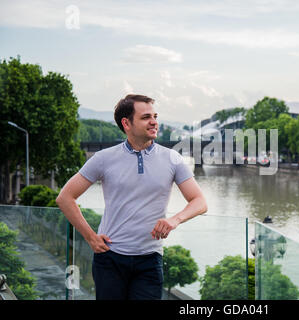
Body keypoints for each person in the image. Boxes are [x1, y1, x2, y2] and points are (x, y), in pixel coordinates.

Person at [56, 94, 207, 300]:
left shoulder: (173, 159)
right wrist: (90, 237)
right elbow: (65, 198)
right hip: (109, 258)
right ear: (126, 123)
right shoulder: (104, 158)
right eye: (146, 117)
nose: (154, 121)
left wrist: (174, 220)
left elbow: (200, 202)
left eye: (155, 116)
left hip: (150, 260)